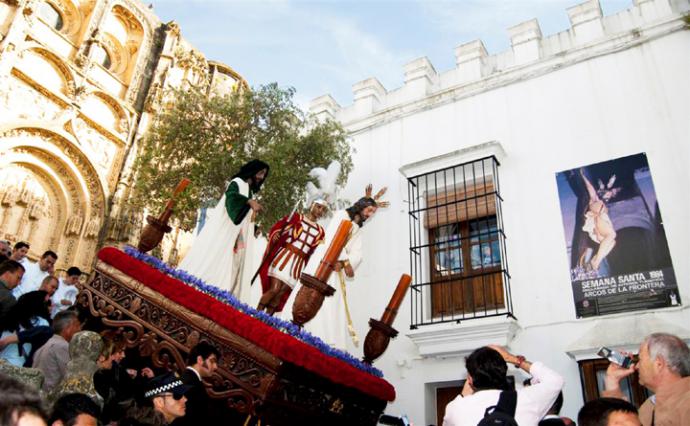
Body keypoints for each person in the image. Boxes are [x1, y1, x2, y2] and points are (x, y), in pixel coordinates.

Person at [295, 185, 385, 349]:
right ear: (361, 206)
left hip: (336, 268)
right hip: (324, 260)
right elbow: (332, 238)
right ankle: (305, 330)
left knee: (331, 302)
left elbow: (357, 253)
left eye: (373, 212)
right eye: (369, 210)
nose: (370, 214)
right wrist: (344, 260)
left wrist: (346, 263)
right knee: (311, 293)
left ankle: (324, 339)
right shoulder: (341, 215)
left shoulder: (358, 229)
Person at [179, 160, 269, 301]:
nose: (261, 177)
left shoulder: (249, 190)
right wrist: (248, 202)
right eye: (260, 172)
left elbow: (244, 217)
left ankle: (223, 297)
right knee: (217, 260)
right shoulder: (237, 182)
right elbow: (231, 199)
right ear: (252, 170)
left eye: (264, 174)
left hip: (238, 237)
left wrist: (254, 228)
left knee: (235, 267)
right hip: (226, 232)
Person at [443, 345, 564, 426]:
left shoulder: (455, 408)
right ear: (504, 372)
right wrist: (513, 359)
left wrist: (463, 395)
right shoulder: (525, 399)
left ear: (470, 379)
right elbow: (555, 380)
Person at [257, 198, 327, 315]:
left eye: (323, 209)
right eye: (318, 207)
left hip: (298, 265)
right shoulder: (296, 218)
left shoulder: (320, 232)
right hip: (284, 258)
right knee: (274, 290)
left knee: (280, 294)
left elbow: (316, 251)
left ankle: (265, 320)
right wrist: (276, 235)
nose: (320, 211)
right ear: (312, 205)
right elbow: (277, 229)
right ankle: (255, 314)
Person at [603, 332, 690, 426]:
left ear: (659, 364)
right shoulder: (649, 406)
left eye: (640, 359)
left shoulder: (686, 403)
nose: (636, 366)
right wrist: (612, 381)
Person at [170, 342, 220, 426]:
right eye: (212, 361)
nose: (215, 367)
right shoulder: (191, 383)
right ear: (200, 360)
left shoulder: (188, 379)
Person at [32, 310, 82, 392]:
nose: (80, 330)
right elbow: (72, 378)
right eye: (77, 326)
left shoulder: (46, 345)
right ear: (67, 329)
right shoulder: (62, 346)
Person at [0, 290, 51, 367]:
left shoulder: (8, 318)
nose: (51, 306)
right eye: (47, 303)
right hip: (19, 368)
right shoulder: (42, 323)